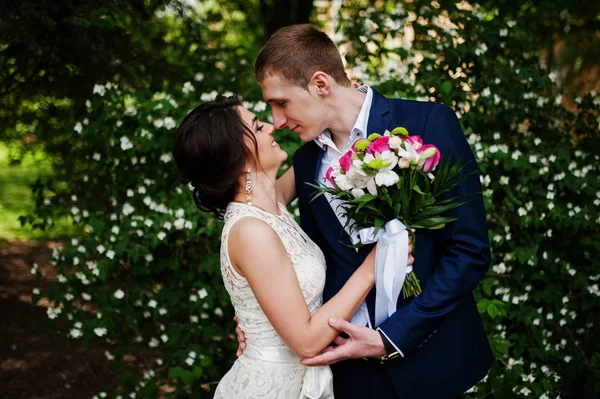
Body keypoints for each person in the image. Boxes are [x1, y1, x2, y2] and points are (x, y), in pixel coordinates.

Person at [235, 24, 494, 398]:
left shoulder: (428, 124)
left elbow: (469, 252)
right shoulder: (306, 162)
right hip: (350, 372)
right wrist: (259, 318)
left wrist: (392, 337)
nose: (277, 121)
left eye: (281, 102)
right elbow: (309, 259)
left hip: (434, 362)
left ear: (321, 84)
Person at [172, 95, 414, 398]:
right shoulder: (250, 232)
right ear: (238, 155)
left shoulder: (271, 204)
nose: (272, 127)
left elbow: (324, 155)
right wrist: (372, 267)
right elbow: (307, 342)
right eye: (258, 127)